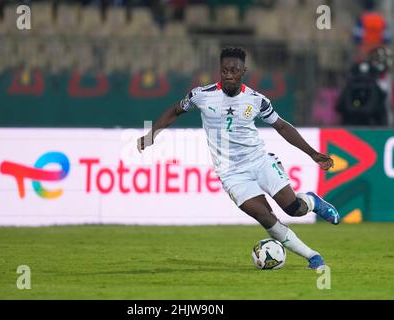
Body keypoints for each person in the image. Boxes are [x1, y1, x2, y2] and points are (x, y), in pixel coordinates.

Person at [137, 47, 340, 270]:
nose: (228, 74)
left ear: (244, 70)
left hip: (260, 162)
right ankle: (312, 256)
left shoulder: (256, 100)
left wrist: (312, 153)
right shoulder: (201, 95)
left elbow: (281, 126)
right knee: (265, 217)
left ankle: (311, 201)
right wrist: (151, 134)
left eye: (234, 70)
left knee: (294, 210)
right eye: (224, 70)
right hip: (231, 173)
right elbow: (175, 111)